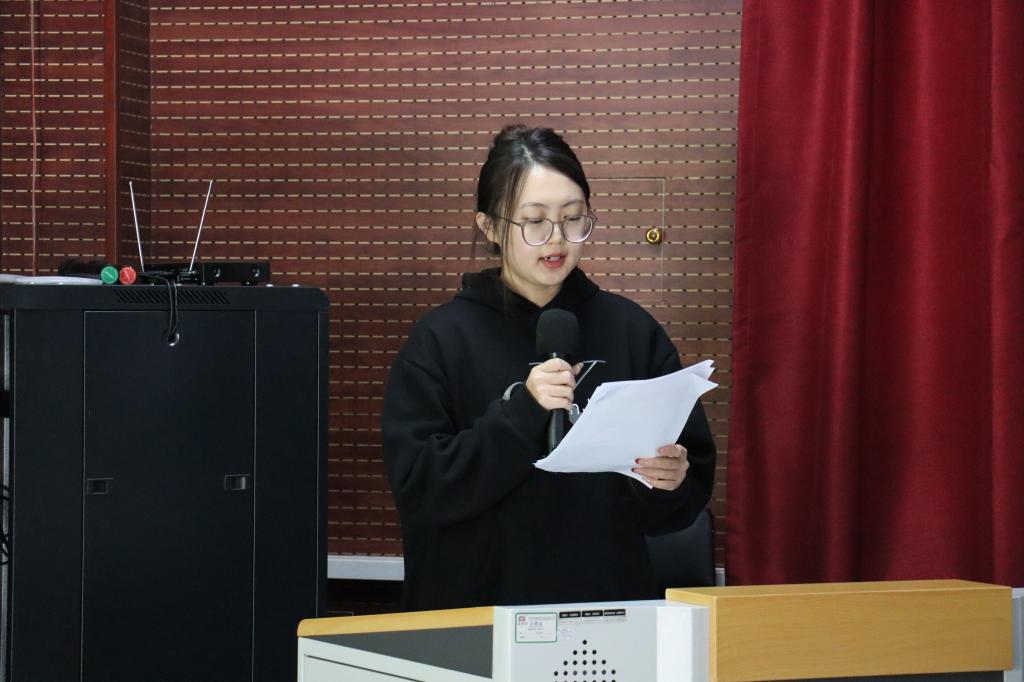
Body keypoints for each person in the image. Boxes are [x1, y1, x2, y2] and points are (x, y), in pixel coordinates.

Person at [382, 125, 716, 611]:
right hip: (477, 610)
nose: (557, 239)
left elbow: (683, 498)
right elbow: (421, 489)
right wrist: (522, 412)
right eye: (535, 222)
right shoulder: (441, 340)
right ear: (489, 227)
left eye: (573, 218)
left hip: (604, 607)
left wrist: (671, 482)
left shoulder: (631, 330)